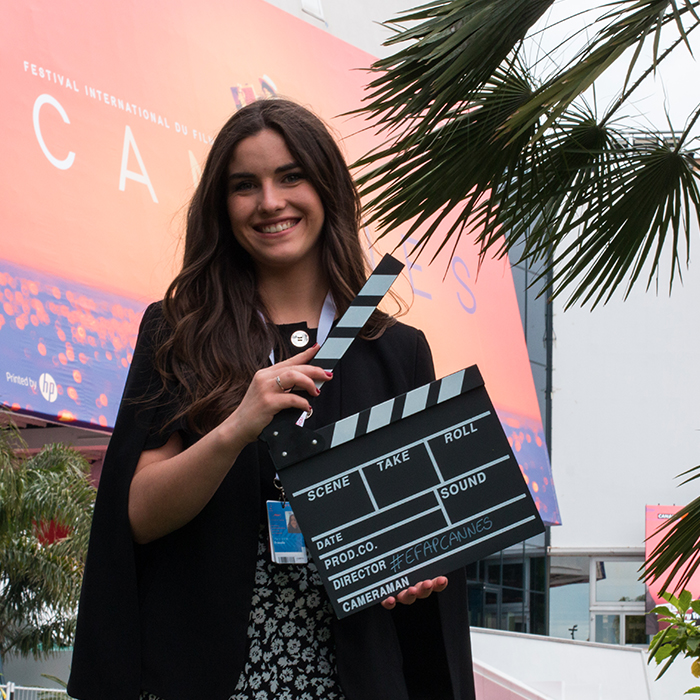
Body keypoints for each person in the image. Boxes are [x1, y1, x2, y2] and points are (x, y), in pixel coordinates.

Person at [67, 99, 476, 700]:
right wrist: (237, 427)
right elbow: (137, 515)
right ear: (222, 205)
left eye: (291, 176)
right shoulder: (178, 329)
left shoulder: (397, 350)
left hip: (350, 675)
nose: (270, 202)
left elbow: (415, 536)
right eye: (244, 185)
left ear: (327, 189)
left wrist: (415, 571)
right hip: (201, 672)